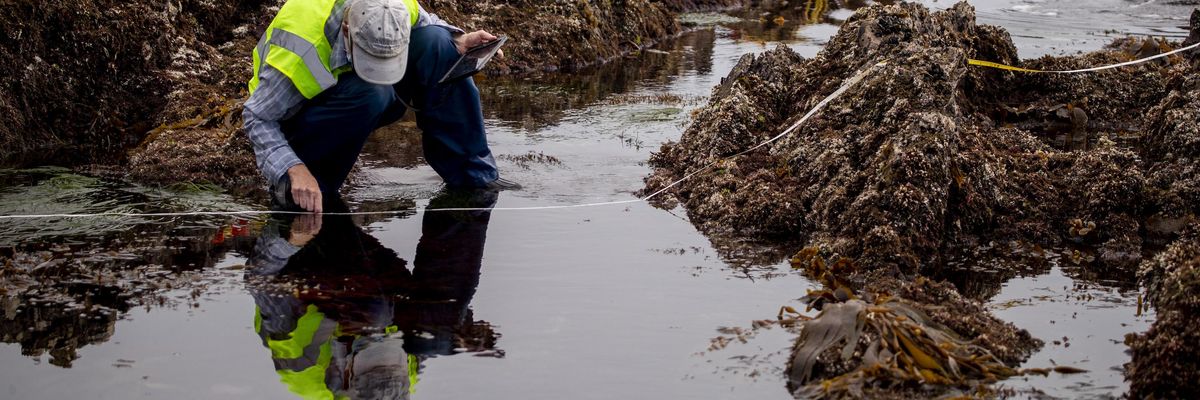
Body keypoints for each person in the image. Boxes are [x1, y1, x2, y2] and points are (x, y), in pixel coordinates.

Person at [244, 0, 519, 213]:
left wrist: (458, 39)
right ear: (348, 30)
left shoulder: (393, 6)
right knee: (373, 93)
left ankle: (473, 176)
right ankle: (310, 187)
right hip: (302, 116)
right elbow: (257, 117)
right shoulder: (299, 50)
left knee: (439, 44)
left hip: (362, 93)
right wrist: (293, 168)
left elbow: (426, 22)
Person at [247, 190, 501, 399]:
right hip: (369, 291)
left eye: (371, 350)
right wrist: (457, 331)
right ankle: (467, 200)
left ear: (346, 374)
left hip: (300, 263)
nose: (381, 340)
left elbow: (258, 278)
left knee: (375, 316)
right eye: (392, 353)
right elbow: (424, 329)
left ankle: (324, 202)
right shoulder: (405, 379)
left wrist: (292, 239)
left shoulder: (300, 362)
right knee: (438, 325)